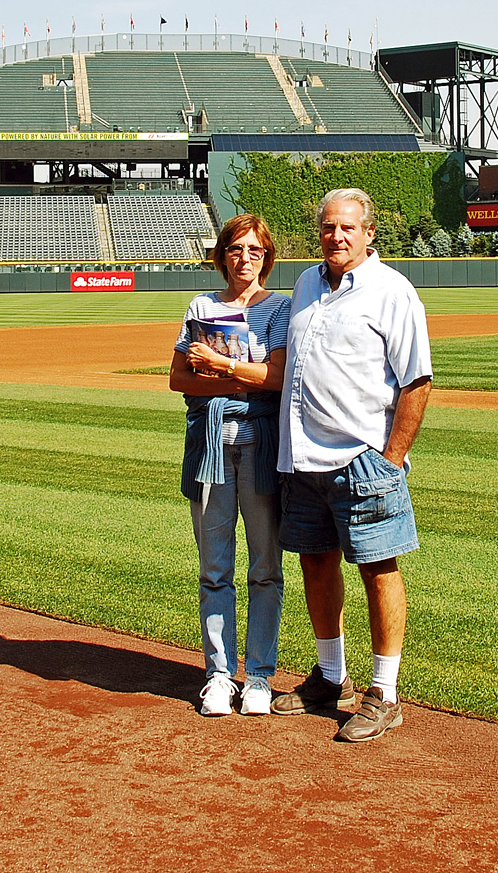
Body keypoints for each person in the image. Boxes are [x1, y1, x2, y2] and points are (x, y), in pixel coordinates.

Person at [271, 187, 432, 742]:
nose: (336, 236)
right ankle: (330, 677)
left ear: (368, 234)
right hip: (304, 460)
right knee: (315, 565)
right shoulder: (306, 283)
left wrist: (392, 459)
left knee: (377, 568)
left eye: (347, 228)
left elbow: (416, 381)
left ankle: (385, 692)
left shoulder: (393, 291)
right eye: (327, 227)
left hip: (363, 458)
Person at [169, 213, 290, 717]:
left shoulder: (282, 308)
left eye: (255, 251)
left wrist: (220, 368)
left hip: (261, 444)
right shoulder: (201, 305)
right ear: (222, 256)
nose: (245, 259)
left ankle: (259, 675)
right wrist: (239, 378)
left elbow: (279, 378)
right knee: (214, 568)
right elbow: (179, 379)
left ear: (266, 258)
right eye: (236, 249)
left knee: (265, 568)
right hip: (211, 444)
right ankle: (219, 674)